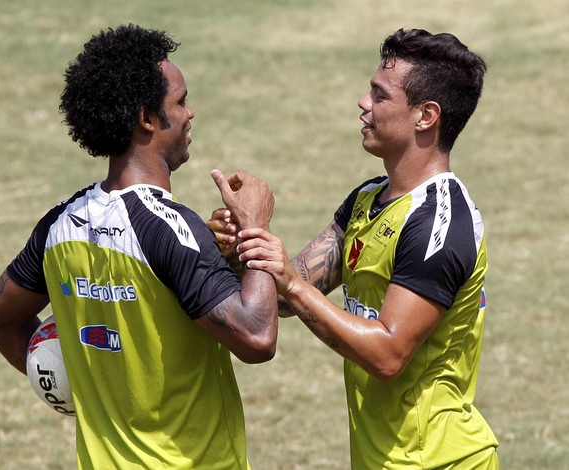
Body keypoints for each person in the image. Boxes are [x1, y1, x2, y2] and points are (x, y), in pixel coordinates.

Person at [0, 24, 279, 469]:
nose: (190, 113)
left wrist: (75, 384)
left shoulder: (59, 226)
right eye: (179, 102)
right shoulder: (171, 230)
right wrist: (256, 229)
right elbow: (256, 337)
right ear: (146, 118)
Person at [210, 28, 499, 468]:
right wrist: (241, 245)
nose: (364, 104)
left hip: (440, 460)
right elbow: (293, 294)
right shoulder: (368, 199)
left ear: (426, 115)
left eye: (379, 96)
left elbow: (387, 356)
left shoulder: (441, 223)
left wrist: (289, 280)